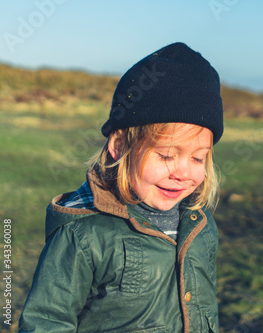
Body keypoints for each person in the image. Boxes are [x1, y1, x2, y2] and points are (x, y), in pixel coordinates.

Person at [19, 42, 223, 333]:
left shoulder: (200, 224)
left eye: (197, 158)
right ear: (120, 146)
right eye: (166, 155)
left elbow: (204, 310)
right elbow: (47, 321)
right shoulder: (84, 235)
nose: (182, 172)